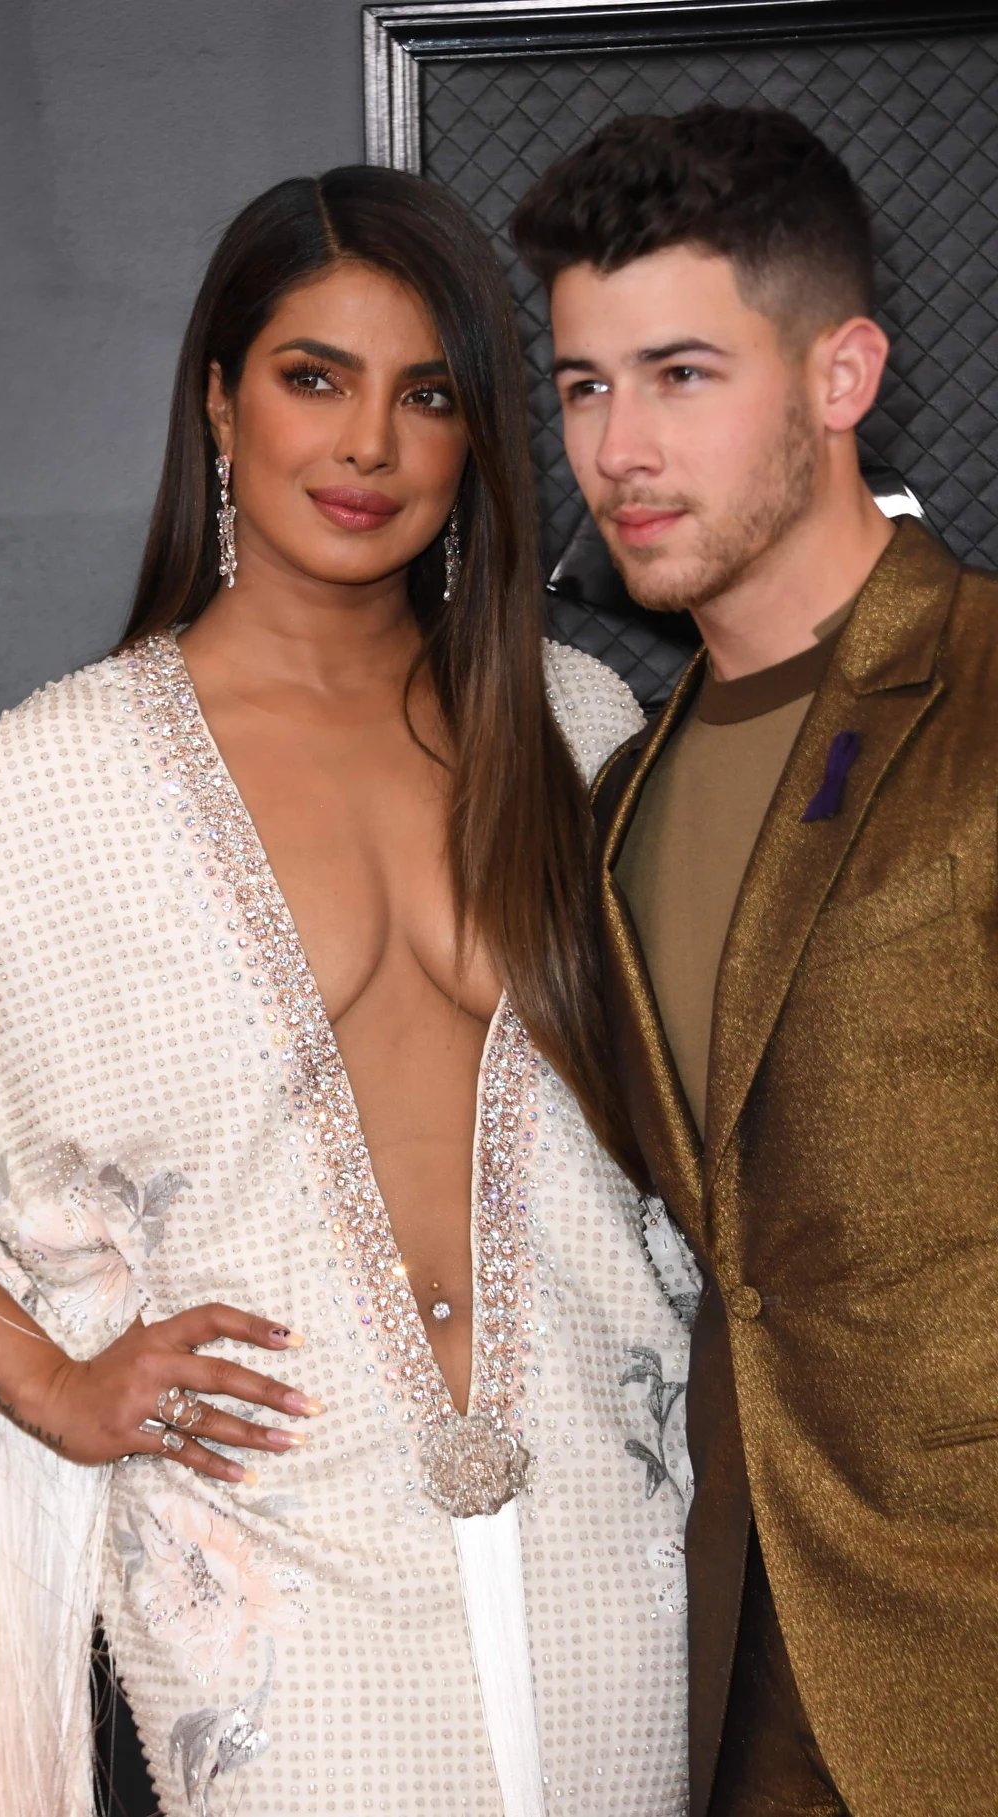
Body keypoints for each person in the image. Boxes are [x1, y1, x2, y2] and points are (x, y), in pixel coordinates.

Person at [0, 165, 696, 1817]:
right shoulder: (60, 781)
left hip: (613, 1551)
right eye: (315, 378)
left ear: (476, 438)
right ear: (220, 404)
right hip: (280, 1567)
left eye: (429, 396)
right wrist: (54, 1384)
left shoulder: (581, 726)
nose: (368, 445)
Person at [513, 104, 998, 1817]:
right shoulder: (622, 790)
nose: (620, 447)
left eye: (683, 375)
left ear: (840, 374)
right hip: (739, 1669)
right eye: (584, 385)